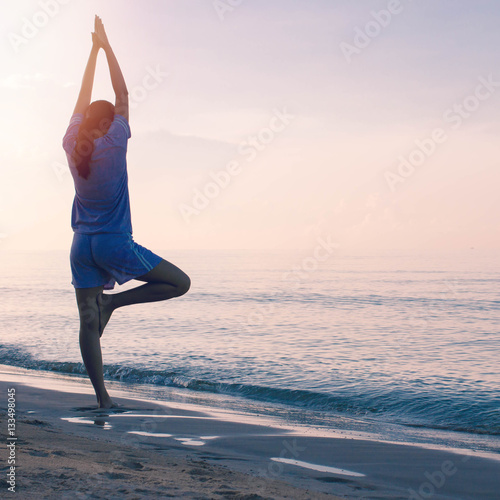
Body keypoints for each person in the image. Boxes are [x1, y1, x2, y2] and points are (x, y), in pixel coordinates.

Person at [62, 16, 190, 409]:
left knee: (87, 322)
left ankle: (103, 398)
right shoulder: (115, 141)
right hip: (115, 244)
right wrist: (107, 46)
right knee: (180, 283)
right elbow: (123, 95)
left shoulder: (70, 145)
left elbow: (83, 99)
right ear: (107, 123)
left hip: (81, 245)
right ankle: (114, 303)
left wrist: (92, 52)